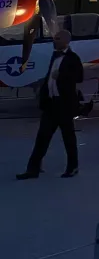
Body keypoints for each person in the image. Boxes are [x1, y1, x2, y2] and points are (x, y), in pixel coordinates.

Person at [17, 29, 83, 180]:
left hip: (64, 105)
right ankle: (32, 169)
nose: (55, 41)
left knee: (68, 138)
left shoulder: (73, 58)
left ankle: (73, 167)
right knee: (42, 138)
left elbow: (79, 77)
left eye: (58, 38)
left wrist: (62, 76)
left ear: (66, 41)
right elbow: (50, 77)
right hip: (51, 104)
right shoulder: (55, 56)